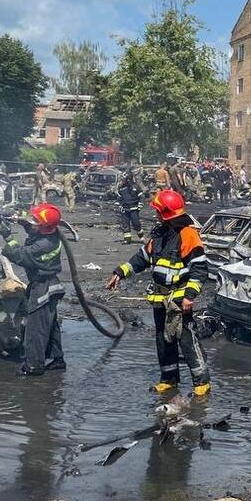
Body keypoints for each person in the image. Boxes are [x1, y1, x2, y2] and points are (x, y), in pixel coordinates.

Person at [106, 190, 211, 396]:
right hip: (160, 299)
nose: (155, 215)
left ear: (165, 214)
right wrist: (120, 272)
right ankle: (169, 379)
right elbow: (142, 258)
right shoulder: (160, 234)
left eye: (157, 212)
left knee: (187, 339)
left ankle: (202, 383)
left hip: (178, 300)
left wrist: (190, 295)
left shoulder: (187, 234)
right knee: (164, 340)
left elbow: (199, 269)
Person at [0, 203, 66, 376]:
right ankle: (57, 359)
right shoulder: (52, 234)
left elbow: (19, 255)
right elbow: (34, 230)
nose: (33, 222)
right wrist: (21, 221)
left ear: (44, 226)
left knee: (35, 329)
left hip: (42, 287)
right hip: (51, 285)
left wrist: (7, 237)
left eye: (36, 220)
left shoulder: (42, 246)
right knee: (50, 326)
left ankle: (34, 366)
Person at [116, 168, 145, 243]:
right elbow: (119, 198)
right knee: (125, 224)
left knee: (136, 223)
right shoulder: (121, 188)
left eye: (127, 179)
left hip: (134, 208)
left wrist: (140, 205)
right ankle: (127, 239)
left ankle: (141, 237)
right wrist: (119, 205)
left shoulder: (136, 187)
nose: (125, 180)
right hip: (124, 209)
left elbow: (142, 197)